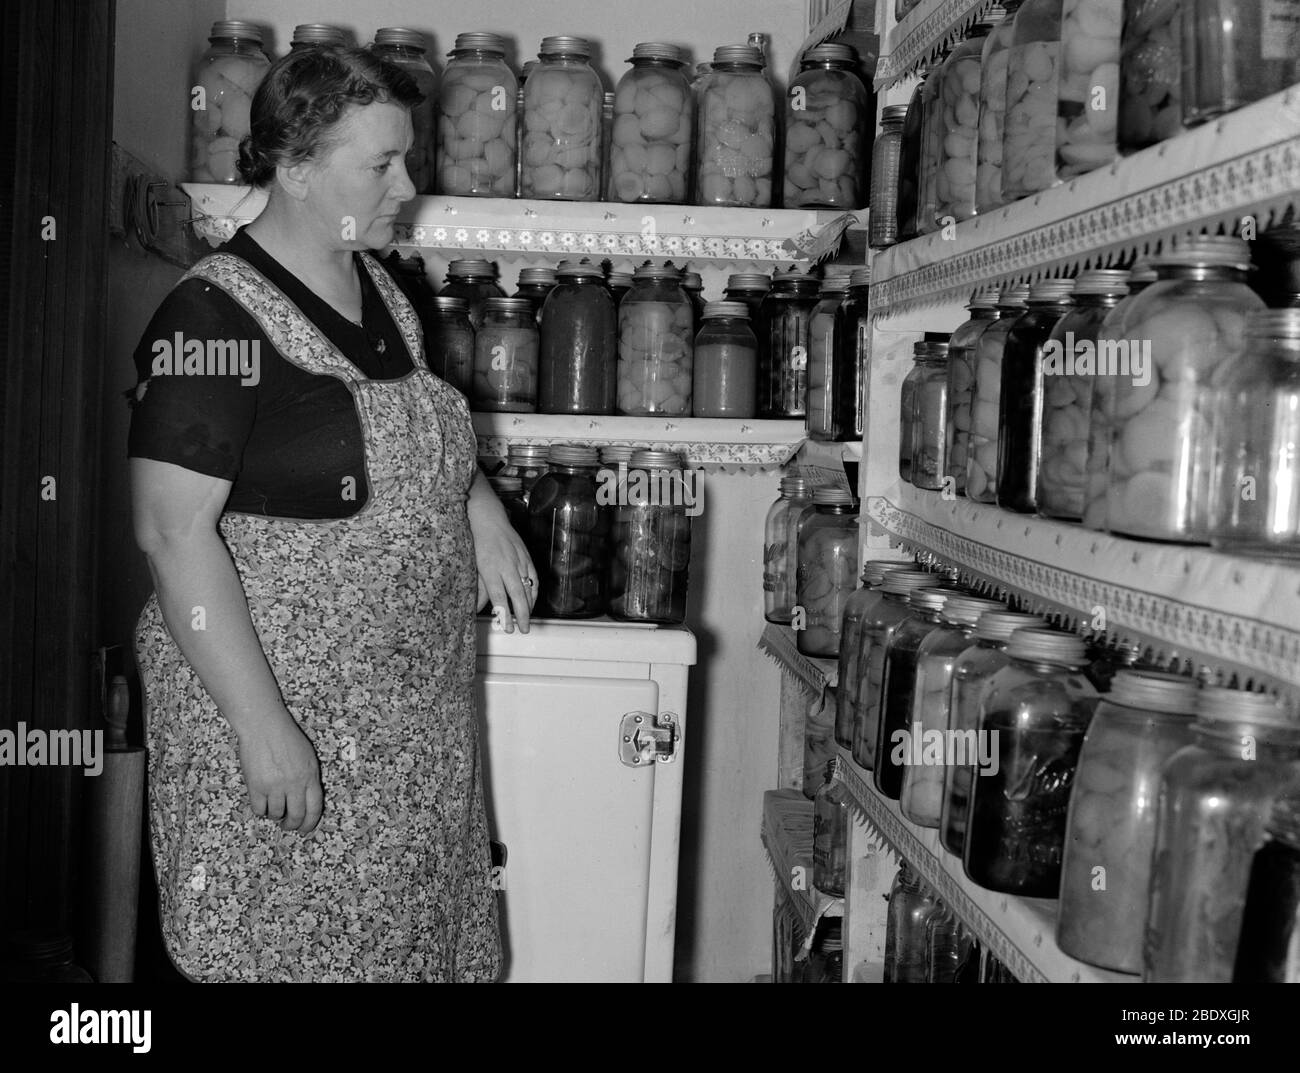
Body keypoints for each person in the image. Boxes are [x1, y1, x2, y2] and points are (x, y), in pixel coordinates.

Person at [128, 45, 536, 982]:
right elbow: (169, 532)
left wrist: (473, 501)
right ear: (296, 166)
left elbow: (409, 420)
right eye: (380, 163)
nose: (409, 182)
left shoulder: (383, 288)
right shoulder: (209, 320)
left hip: (407, 740)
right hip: (288, 737)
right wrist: (262, 726)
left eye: (407, 156)